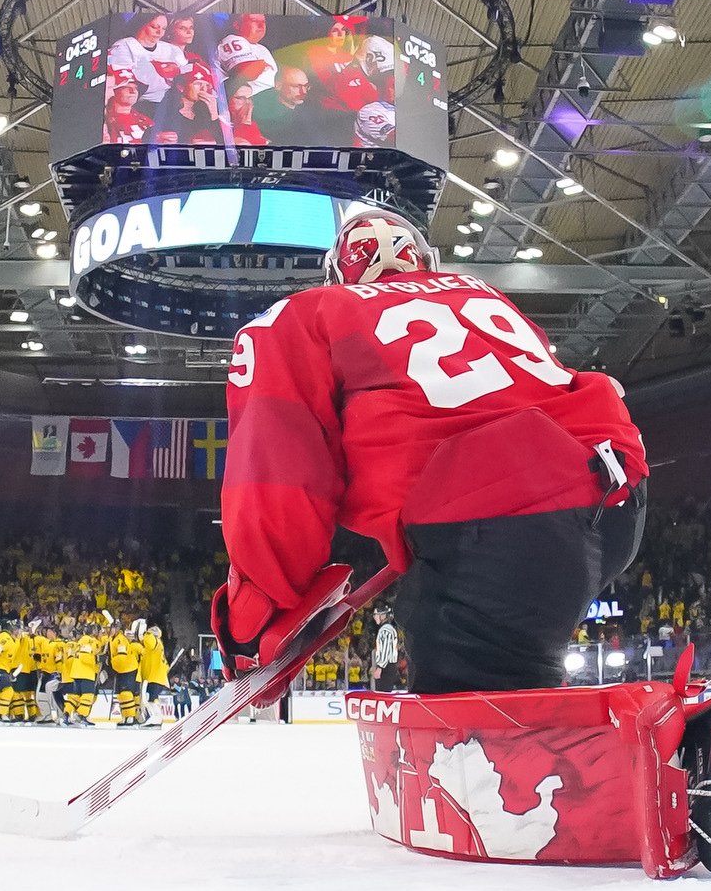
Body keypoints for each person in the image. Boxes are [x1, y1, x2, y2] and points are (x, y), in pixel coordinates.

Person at [213, 207, 647, 695]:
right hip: (617, 485)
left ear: (337, 273)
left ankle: (690, 753)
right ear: (425, 260)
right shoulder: (479, 292)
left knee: (472, 728)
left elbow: (277, 470)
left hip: (501, 517)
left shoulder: (304, 312)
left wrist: (257, 611)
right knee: (507, 668)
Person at [106, 14, 188, 106]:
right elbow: (122, 82)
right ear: (141, 24)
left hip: (171, 103)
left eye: (164, 28)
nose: (159, 32)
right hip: (140, 104)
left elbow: (188, 74)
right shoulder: (125, 46)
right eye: (154, 27)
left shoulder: (173, 49)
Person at [253, 67, 339, 147]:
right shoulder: (260, 112)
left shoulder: (312, 106)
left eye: (306, 86)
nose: (303, 91)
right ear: (278, 85)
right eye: (296, 86)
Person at [215, 12, 277, 99]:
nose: (261, 25)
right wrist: (261, 64)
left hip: (266, 99)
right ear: (237, 25)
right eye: (254, 21)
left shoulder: (261, 48)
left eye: (263, 21)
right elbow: (246, 72)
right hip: (243, 101)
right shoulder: (231, 40)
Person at [137, 619, 170, 725]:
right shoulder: (159, 645)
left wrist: (143, 633)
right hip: (156, 676)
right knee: (151, 698)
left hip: (154, 676)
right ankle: (156, 717)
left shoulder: (154, 641)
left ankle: (157, 717)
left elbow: (148, 641)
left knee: (152, 698)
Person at [370, 605, 403, 691]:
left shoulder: (385, 630)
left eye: (376, 615)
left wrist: (380, 667)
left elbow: (385, 650)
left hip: (386, 666)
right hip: (389, 666)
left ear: (383, 616)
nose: (374, 617)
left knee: (382, 692)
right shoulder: (390, 629)